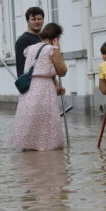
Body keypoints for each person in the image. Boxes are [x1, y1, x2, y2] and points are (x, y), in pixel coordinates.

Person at [11, 22, 67, 151]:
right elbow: (62, 71)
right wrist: (58, 50)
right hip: (44, 89)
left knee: (31, 123)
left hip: (29, 89)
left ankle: (30, 153)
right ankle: (48, 153)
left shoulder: (30, 49)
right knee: (46, 124)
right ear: (56, 38)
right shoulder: (52, 50)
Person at [15, 7, 45, 77]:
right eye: (33, 19)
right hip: (32, 84)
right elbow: (21, 67)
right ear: (27, 21)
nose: (37, 22)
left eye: (39, 19)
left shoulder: (43, 39)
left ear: (43, 20)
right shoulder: (23, 40)